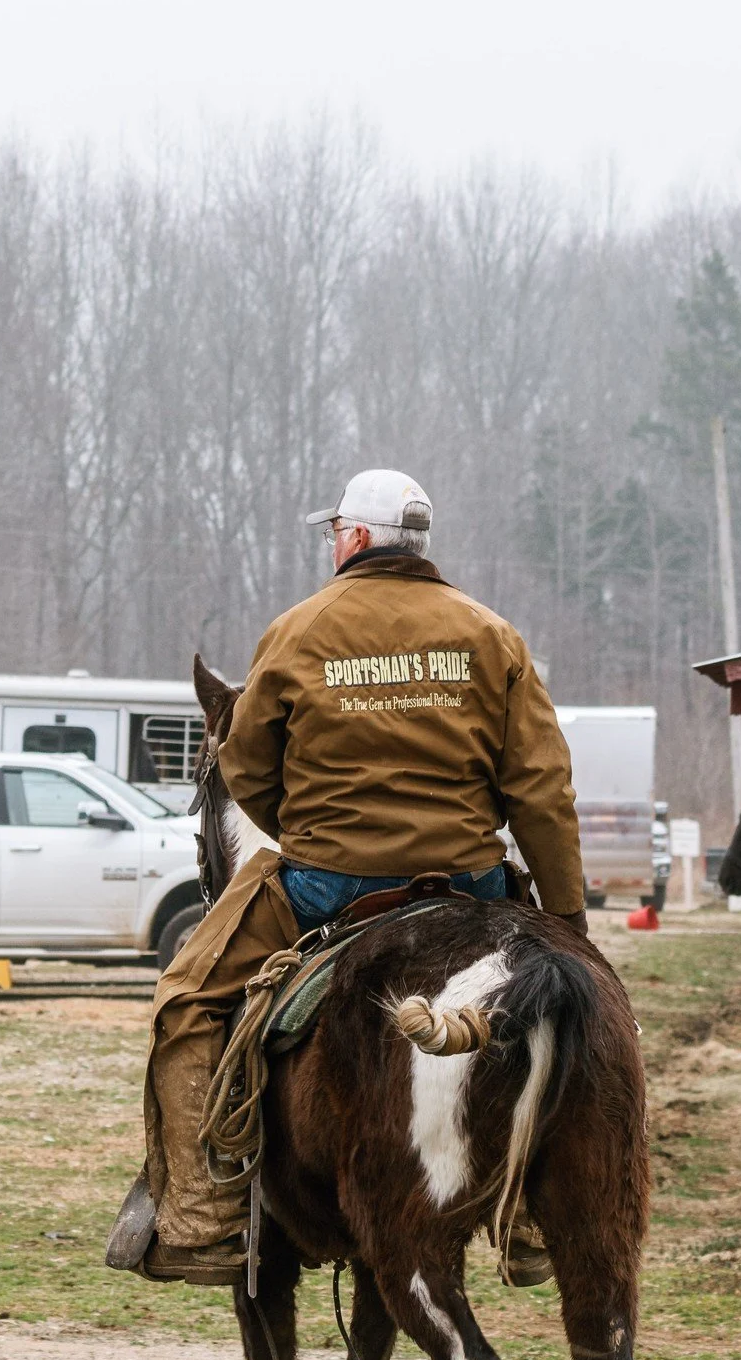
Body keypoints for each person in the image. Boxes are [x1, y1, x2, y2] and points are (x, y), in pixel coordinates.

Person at [123, 468, 586, 1286]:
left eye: (336, 530)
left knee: (186, 1002)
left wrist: (309, 825)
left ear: (357, 540)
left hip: (327, 885)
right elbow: (542, 794)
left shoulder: (299, 631)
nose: (333, 543)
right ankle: (536, 1216)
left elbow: (248, 772)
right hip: (470, 889)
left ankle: (203, 1217)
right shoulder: (494, 637)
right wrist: (570, 921)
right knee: (573, 1007)